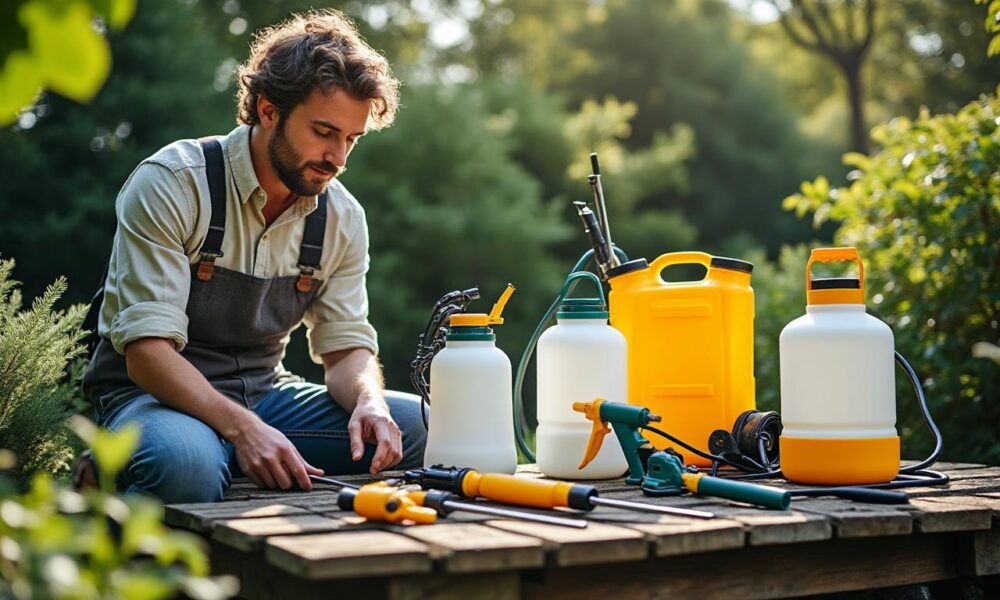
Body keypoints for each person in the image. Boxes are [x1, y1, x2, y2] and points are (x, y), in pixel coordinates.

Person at [77, 9, 426, 503]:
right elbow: (146, 356)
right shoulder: (174, 183)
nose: (339, 158)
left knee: (420, 427)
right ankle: (120, 475)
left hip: (266, 395)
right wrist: (243, 431)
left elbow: (346, 349)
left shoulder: (343, 218)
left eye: (352, 139)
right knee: (187, 465)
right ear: (267, 110)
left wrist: (370, 401)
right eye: (324, 132)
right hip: (150, 399)